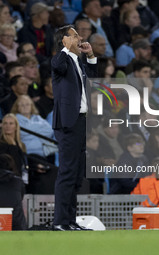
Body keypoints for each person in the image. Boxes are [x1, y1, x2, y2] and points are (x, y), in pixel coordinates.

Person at [51, 25, 97, 231]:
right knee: (68, 172)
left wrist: (90, 55)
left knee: (77, 174)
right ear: (65, 40)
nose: (79, 38)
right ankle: (61, 221)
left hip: (81, 121)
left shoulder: (78, 61)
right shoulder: (61, 60)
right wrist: (65, 48)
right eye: (74, 35)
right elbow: (57, 65)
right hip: (68, 123)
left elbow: (93, 79)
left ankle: (70, 221)